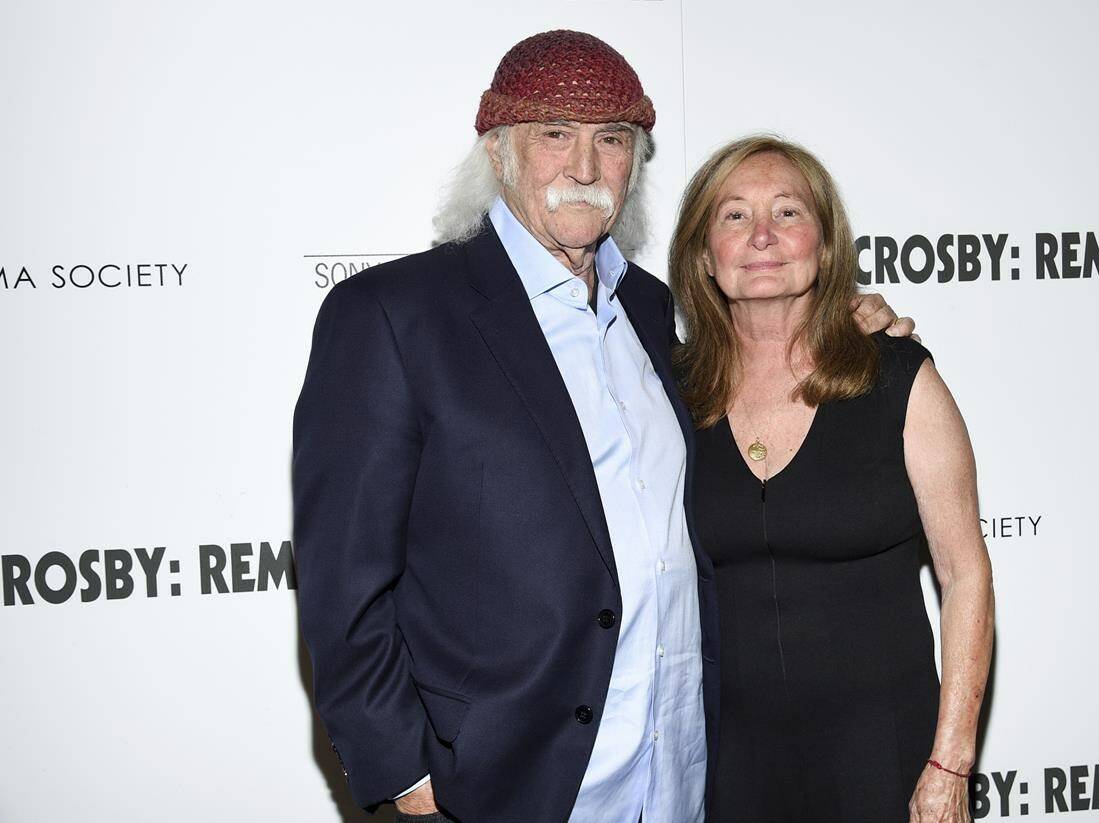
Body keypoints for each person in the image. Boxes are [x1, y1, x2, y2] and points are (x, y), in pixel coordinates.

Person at [293, 32, 912, 823]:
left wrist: (847, 324)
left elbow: (765, 370)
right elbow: (344, 580)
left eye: (611, 140)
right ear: (499, 150)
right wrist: (406, 776)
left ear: (635, 162)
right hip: (510, 784)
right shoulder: (392, 316)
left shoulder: (655, 311)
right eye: (555, 134)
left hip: (681, 774)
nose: (584, 168)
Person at [669, 136, 995, 823]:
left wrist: (951, 763)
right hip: (729, 772)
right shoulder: (669, 395)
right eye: (733, 216)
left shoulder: (897, 377)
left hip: (887, 761)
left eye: (787, 213)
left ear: (825, 244)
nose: (762, 235)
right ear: (703, 253)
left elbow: (965, 574)